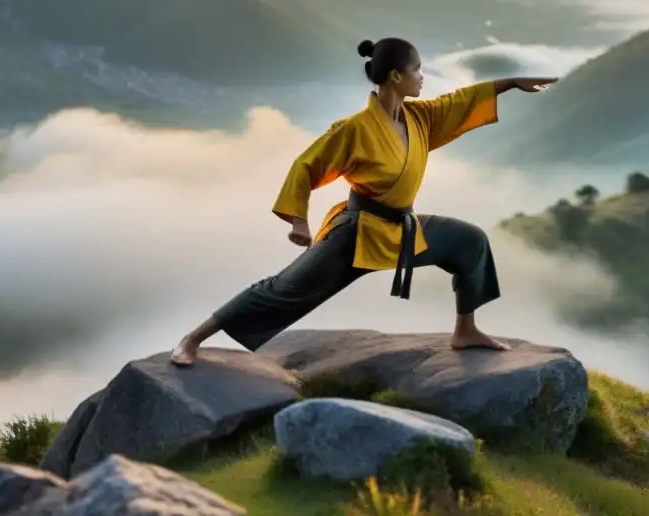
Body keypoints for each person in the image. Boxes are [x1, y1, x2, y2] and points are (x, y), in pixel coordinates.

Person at [170, 37, 557, 366]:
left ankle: (466, 330)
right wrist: (298, 221)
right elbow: (306, 166)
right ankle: (192, 339)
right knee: (283, 289)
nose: (423, 78)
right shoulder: (354, 129)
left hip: (403, 228)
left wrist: (509, 83)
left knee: (470, 241)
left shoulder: (420, 118)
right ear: (396, 76)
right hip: (357, 233)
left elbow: (461, 100)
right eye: (418, 70)